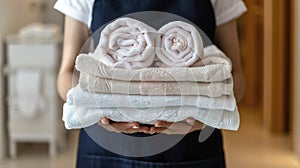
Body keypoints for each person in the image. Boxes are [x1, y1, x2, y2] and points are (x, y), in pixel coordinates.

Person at [54, 0, 247, 167]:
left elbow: (236, 76)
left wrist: (204, 117)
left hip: (192, 150)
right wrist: (96, 112)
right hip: (106, 151)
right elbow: (67, 74)